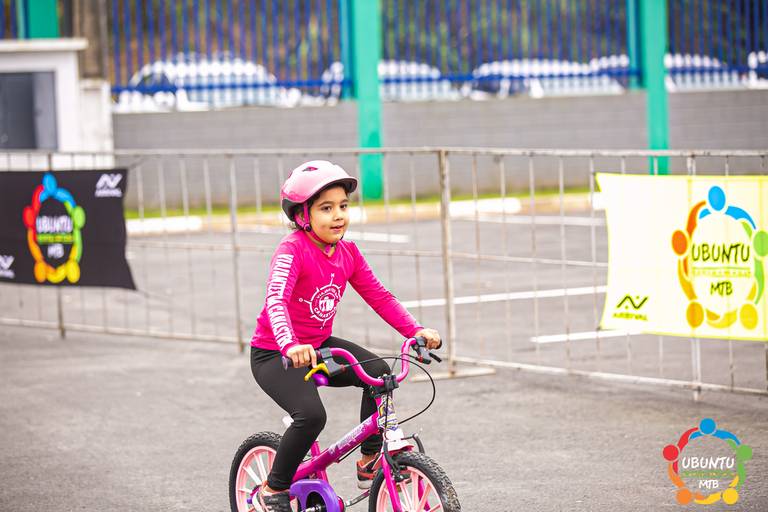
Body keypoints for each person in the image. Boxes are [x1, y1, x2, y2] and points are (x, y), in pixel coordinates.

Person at [250, 160, 441, 511]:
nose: (338, 215)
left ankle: (369, 460)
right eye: (326, 208)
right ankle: (273, 488)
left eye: (343, 206)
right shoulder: (292, 251)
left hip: (319, 347)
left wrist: (415, 330)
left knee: (379, 374)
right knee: (312, 416)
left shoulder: (347, 253)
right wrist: (290, 345)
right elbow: (275, 300)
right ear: (302, 216)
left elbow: (379, 296)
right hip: (275, 354)